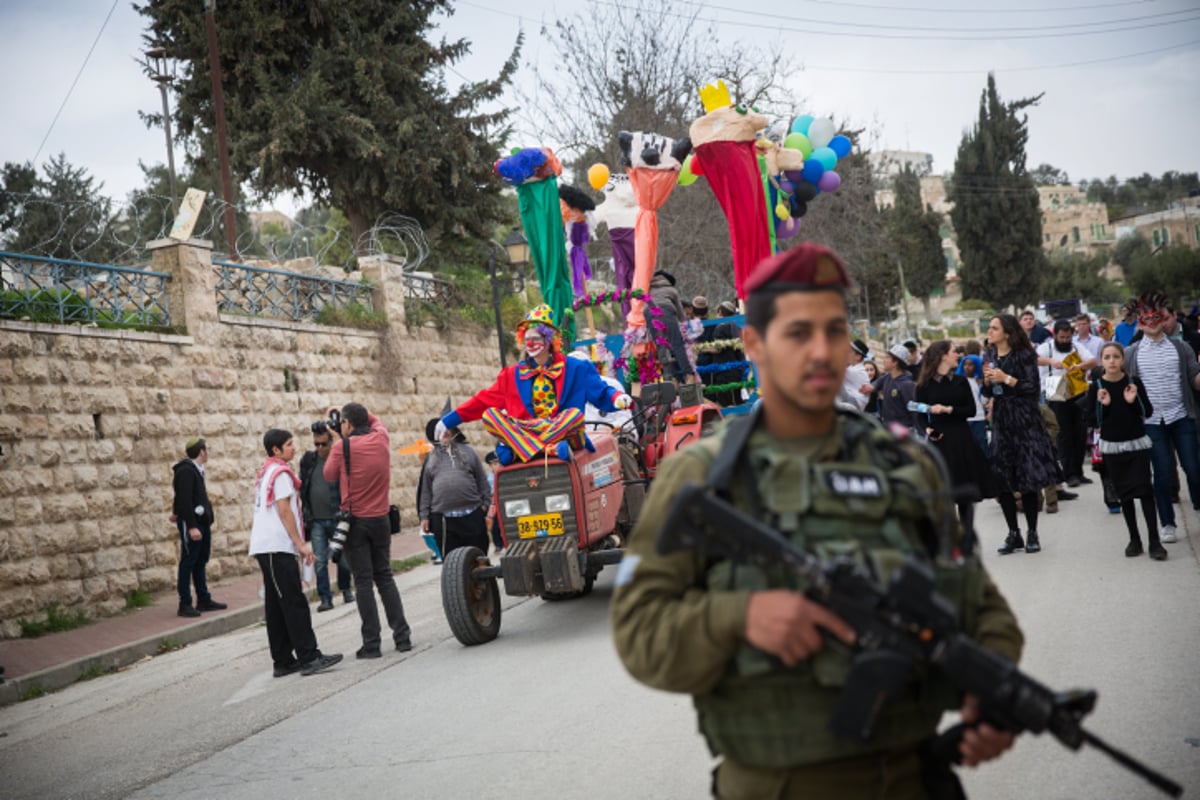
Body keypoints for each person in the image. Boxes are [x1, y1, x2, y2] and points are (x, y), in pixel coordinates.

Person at [611, 243, 1023, 799]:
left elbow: (979, 604)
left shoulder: (907, 465)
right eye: (798, 333)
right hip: (775, 786)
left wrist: (993, 691)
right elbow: (639, 630)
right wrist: (740, 616)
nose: (822, 351)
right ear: (754, 344)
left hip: (912, 779)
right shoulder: (702, 476)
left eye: (834, 331)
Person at [440, 305, 631, 465]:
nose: (531, 343)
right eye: (527, 339)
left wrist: (616, 398)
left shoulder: (576, 368)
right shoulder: (511, 375)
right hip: (528, 429)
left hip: (562, 430)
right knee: (490, 416)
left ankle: (521, 449)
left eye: (536, 338)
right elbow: (482, 401)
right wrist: (448, 420)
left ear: (548, 341)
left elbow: (600, 391)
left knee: (574, 416)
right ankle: (547, 449)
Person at [250, 429, 343, 677]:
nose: (294, 448)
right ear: (276, 450)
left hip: (268, 547)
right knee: (293, 602)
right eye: (288, 445)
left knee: (277, 605)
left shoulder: (268, 471)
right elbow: (284, 511)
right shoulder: (280, 474)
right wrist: (300, 544)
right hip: (276, 546)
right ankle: (308, 656)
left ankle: (283, 660)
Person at [324, 403, 413, 659]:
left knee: (363, 582)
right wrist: (346, 412)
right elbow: (375, 420)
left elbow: (329, 475)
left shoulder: (343, 447)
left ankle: (372, 644)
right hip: (381, 518)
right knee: (385, 577)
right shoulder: (382, 437)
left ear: (348, 424)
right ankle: (402, 637)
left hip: (356, 523)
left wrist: (337, 438)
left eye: (343, 422)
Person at [1122, 291, 1200, 545]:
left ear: (1166, 319)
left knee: (1194, 468)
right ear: (1140, 322)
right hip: (1152, 421)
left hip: (1181, 416)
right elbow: (1120, 382)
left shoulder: (1181, 347)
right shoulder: (1131, 353)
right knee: (1163, 473)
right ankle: (1167, 523)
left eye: (1158, 317)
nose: (1152, 321)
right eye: (1146, 318)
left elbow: (1195, 380)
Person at [983, 314, 1061, 555]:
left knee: (1027, 479)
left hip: (1025, 421)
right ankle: (1013, 533)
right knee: (1003, 479)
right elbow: (990, 392)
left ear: (1007, 332)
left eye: (994, 328)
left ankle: (1032, 532)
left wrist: (1006, 378)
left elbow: (1031, 388)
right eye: (989, 327)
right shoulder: (991, 356)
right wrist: (987, 382)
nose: (990, 331)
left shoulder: (1024, 355)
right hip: (1002, 422)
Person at [1085, 343, 1165, 560]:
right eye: (1107, 357)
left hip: (1136, 443)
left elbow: (1146, 411)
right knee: (1125, 494)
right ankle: (1134, 539)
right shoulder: (1097, 386)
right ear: (1102, 360)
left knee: (1145, 491)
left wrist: (1133, 400)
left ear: (1123, 360)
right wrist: (1104, 404)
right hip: (1112, 447)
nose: (1112, 361)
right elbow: (1091, 420)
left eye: (1116, 357)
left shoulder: (1133, 382)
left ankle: (1154, 541)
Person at [915, 341, 995, 555]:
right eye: (953, 352)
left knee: (965, 493)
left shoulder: (961, 381)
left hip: (961, 438)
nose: (957, 355)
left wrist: (948, 409)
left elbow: (969, 410)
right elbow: (918, 413)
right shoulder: (924, 384)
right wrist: (928, 429)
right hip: (939, 442)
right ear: (942, 356)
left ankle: (967, 538)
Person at [1035, 320, 1097, 487]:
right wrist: (1051, 362)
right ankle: (1069, 473)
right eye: (1061, 337)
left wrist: (1080, 365)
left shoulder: (1076, 347)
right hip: (1055, 389)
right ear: (1054, 335)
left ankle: (1079, 471)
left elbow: (1093, 361)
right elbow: (1033, 359)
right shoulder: (1045, 348)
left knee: (1080, 432)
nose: (1064, 341)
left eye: (1067, 337)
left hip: (1076, 391)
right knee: (1064, 434)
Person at [299, 423, 354, 612]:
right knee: (320, 560)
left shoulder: (339, 459)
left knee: (344, 558)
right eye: (317, 444)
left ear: (331, 442)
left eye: (323, 444)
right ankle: (325, 598)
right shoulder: (308, 461)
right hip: (317, 520)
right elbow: (302, 487)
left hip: (338, 517)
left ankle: (346, 589)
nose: (320, 448)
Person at [419, 420, 491, 558]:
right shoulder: (430, 459)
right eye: (440, 431)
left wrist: (485, 505)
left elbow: (482, 480)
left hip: (472, 514)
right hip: (444, 520)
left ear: (453, 431)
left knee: (479, 558)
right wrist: (424, 517)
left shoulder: (468, 452)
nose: (444, 433)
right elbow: (426, 491)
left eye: (447, 429)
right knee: (451, 562)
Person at [171, 437, 226, 618]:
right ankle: (184, 603)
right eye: (206, 449)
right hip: (193, 524)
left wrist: (176, 511)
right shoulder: (186, 471)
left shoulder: (196, 470)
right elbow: (184, 498)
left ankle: (203, 599)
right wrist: (191, 526)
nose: (207, 452)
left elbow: (183, 496)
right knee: (188, 562)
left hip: (201, 522)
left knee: (200, 561)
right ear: (201, 451)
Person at [650, 270, 699, 383]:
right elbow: (681, 314)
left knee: (661, 347)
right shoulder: (671, 290)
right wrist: (685, 325)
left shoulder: (648, 288)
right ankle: (689, 376)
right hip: (666, 312)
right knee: (677, 345)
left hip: (650, 313)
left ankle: (671, 379)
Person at [860, 344, 918, 432]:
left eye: (887, 358)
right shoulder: (888, 377)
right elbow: (877, 382)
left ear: (895, 362)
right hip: (889, 429)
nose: (884, 360)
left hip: (904, 432)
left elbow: (914, 410)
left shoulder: (907, 385)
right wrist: (871, 387)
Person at [956, 353, 988, 453]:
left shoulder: (979, 381)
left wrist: (983, 385)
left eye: (971, 364)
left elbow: (984, 401)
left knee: (981, 445)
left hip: (979, 417)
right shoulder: (959, 381)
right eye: (965, 364)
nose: (967, 367)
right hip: (965, 417)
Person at [837, 339, 871, 411]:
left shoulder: (857, 371)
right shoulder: (853, 367)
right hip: (851, 400)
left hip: (853, 402)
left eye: (849, 351)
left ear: (858, 357)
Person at [484, 452, 505, 554]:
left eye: (499, 463)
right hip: (495, 504)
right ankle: (498, 544)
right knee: (495, 525)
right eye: (495, 464)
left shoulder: (506, 474)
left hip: (505, 501)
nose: (498, 465)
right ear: (490, 466)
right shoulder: (490, 479)